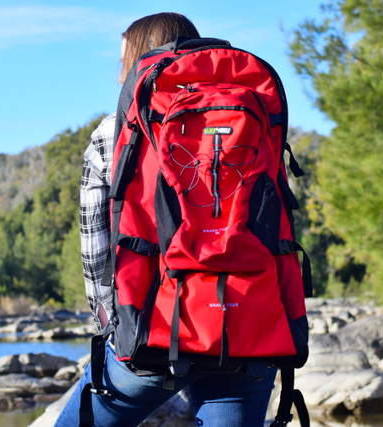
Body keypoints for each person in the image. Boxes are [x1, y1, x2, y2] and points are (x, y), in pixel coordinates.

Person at [54, 12, 277, 427]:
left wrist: (113, 325)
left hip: (150, 327)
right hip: (245, 325)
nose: (120, 72)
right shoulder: (252, 120)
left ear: (140, 61)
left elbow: (94, 246)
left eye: (123, 62)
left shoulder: (113, 131)